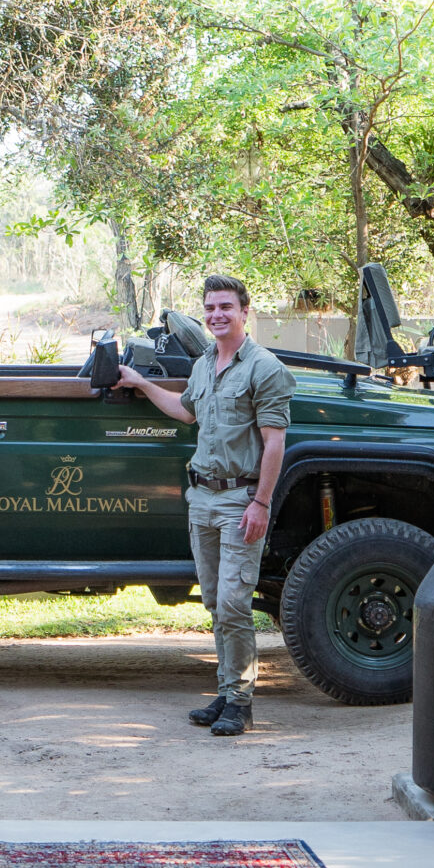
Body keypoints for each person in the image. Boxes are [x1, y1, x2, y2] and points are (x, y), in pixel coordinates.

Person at [119, 274, 292, 736]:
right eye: (210, 307)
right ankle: (226, 689)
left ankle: (240, 702)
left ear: (244, 312)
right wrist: (139, 383)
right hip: (203, 499)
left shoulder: (265, 368)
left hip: (241, 499)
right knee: (217, 602)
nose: (217, 315)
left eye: (226, 307)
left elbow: (274, 444)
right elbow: (186, 410)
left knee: (235, 602)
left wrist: (260, 502)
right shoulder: (203, 364)